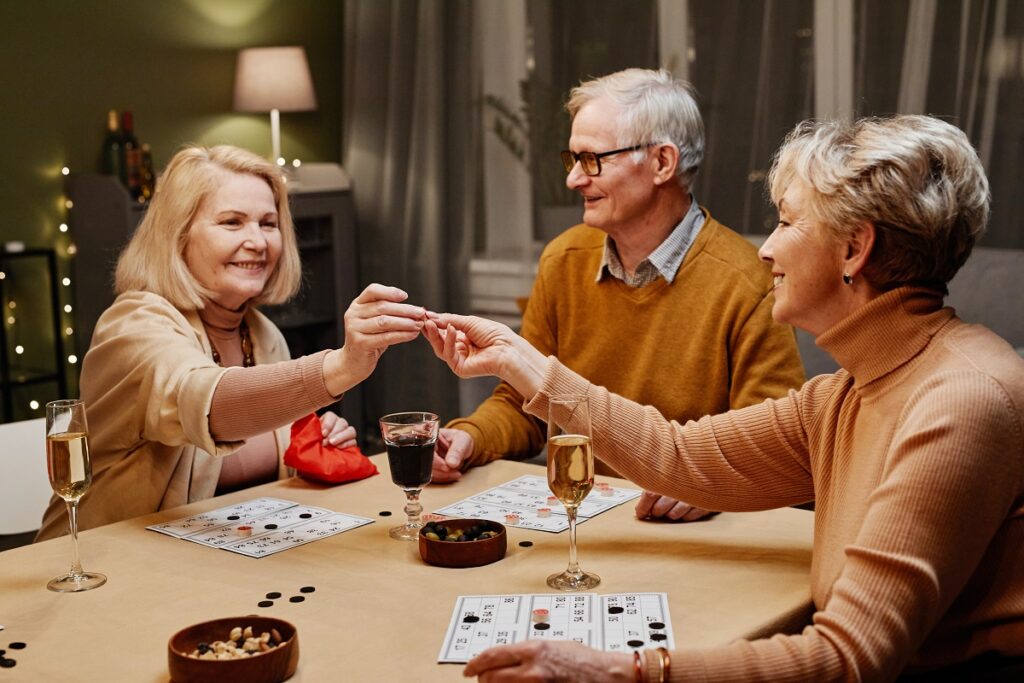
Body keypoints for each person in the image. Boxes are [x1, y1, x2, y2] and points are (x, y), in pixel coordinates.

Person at [425, 115, 1024, 681]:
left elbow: (848, 660)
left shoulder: (961, 400)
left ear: (853, 250)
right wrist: (519, 360)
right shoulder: (847, 392)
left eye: (788, 223)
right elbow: (677, 455)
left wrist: (621, 670)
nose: (766, 248)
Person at [433, 68, 805, 522]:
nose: (573, 180)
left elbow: (775, 447)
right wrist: (469, 437)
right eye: (572, 160)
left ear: (662, 164)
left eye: (592, 160)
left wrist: (714, 484)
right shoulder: (563, 259)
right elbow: (525, 405)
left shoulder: (747, 280)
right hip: (583, 523)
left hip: (690, 540)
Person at [36, 145, 425, 541]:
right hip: (101, 565)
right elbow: (208, 404)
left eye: (268, 223)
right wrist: (342, 366)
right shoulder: (133, 324)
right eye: (232, 222)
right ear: (179, 235)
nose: (258, 241)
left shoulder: (262, 333)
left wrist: (311, 443)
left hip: (212, 556)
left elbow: (255, 469)